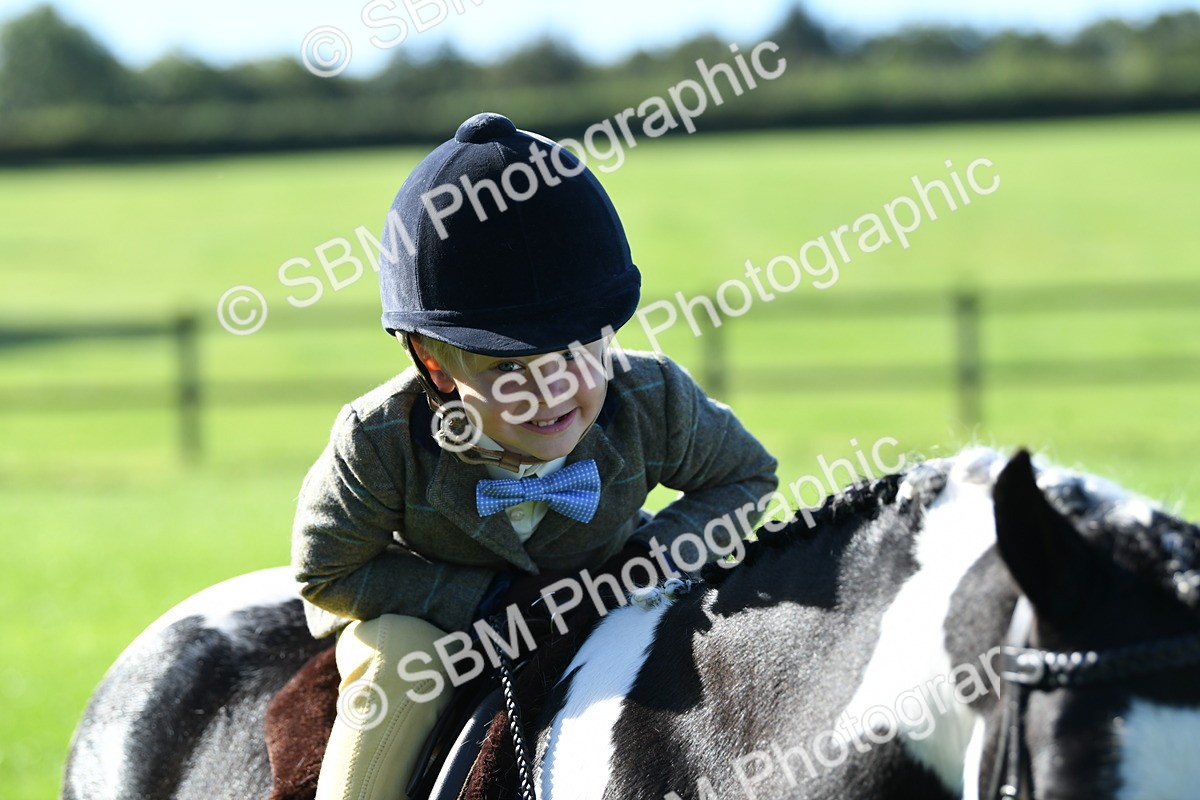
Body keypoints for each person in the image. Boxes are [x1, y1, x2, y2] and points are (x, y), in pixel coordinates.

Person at [292, 111, 778, 800]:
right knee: (398, 662)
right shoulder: (377, 439)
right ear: (434, 364)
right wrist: (486, 600)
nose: (551, 391)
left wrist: (645, 562)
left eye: (578, 353)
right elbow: (325, 570)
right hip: (434, 630)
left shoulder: (653, 397)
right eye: (506, 371)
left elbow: (748, 477)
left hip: (605, 592)